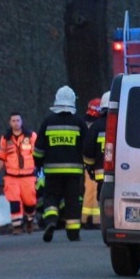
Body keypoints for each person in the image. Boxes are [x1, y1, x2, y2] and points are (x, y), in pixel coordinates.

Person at [33, 85, 88, 242]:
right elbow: (87, 146)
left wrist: (38, 164)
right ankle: (73, 233)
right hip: (74, 171)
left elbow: (38, 148)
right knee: (72, 201)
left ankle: (51, 221)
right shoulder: (79, 122)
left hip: (52, 170)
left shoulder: (48, 121)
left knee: (51, 197)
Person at [0, 112, 38, 234]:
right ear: (10, 122)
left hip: (28, 175)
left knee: (30, 202)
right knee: (14, 201)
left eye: (18, 120)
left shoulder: (31, 136)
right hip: (11, 176)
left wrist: (40, 170)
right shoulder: (5, 138)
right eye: (13, 121)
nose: (16, 123)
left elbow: (37, 155)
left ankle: (30, 221)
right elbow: (2, 156)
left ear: (22, 121)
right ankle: (17, 226)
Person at [83, 91, 110, 201]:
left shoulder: (95, 127)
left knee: (103, 200)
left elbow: (88, 150)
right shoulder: (124, 124)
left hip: (101, 175)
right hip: (123, 174)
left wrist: (90, 168)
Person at [82, 97, 101, 229]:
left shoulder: (85, 123)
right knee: (94, 190)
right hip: (96, 162)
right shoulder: (98, 125)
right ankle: (95, 220)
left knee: (89, 190)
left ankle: (85, 218)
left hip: (86, 161)